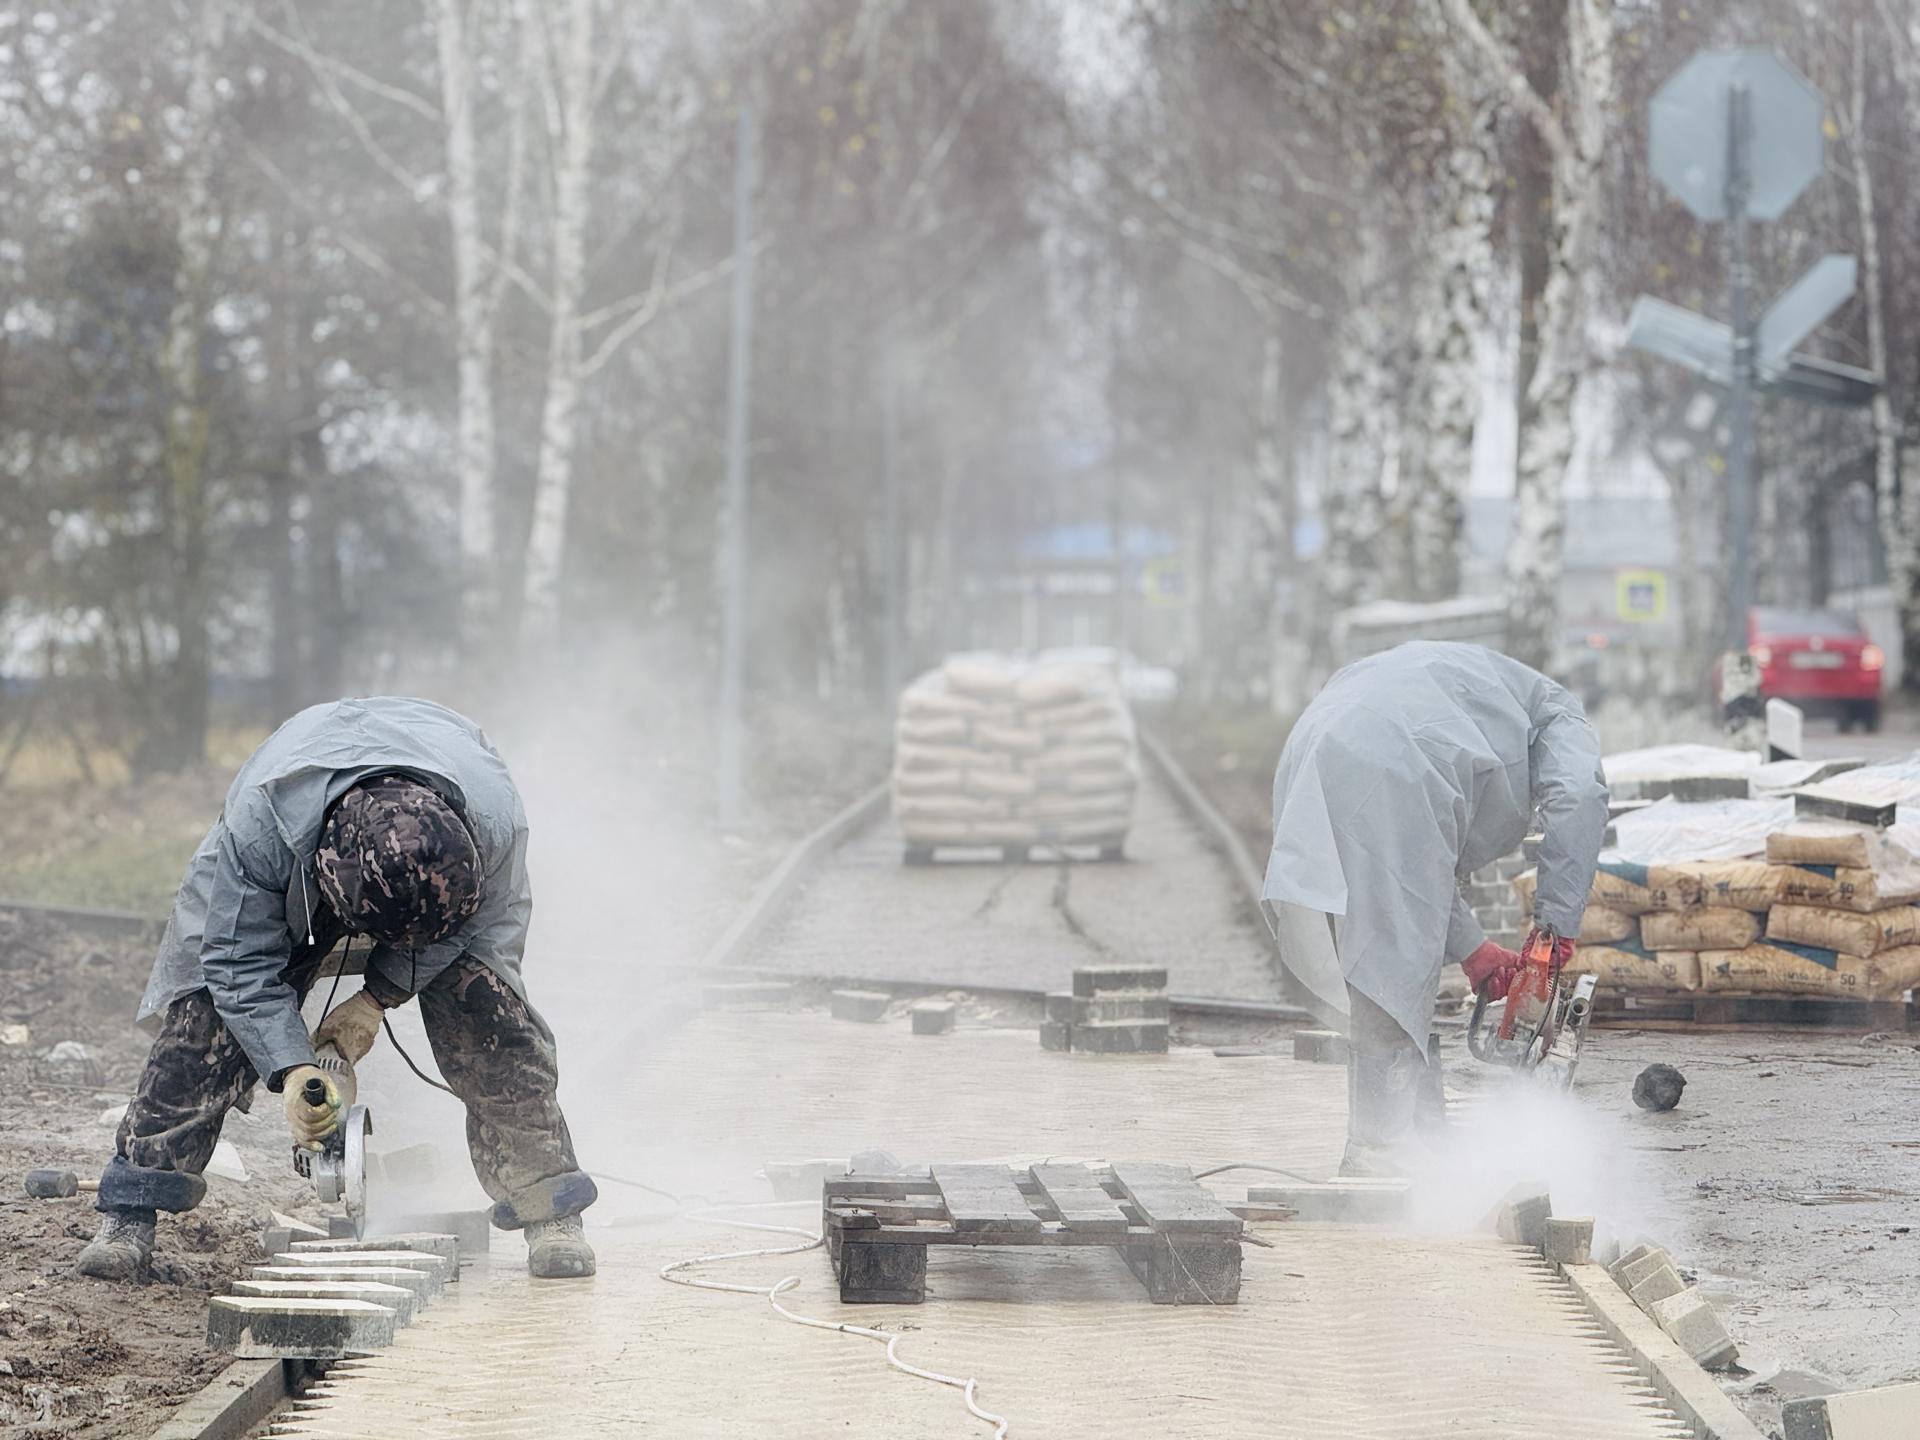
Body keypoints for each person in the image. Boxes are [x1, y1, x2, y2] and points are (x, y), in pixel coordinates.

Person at [76, 696, 597, 1281]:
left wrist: (376, 998)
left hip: (442, 888)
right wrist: (292, 1067)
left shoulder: (492, 827)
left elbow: (475, 927)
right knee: (206, 1021)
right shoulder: (261, 832)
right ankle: (131, 1209)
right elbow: (236, 962)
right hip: (289, 853)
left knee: (489, 1008)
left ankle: (551, 1207)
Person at [1261, 642, 1608, 1176]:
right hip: (1396, 759)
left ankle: (1415, 1129)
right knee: (1393, 963)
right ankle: (1378, 1150)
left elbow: (1418, 870)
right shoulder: (1561, 718)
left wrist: (1473, 950)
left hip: (1316, 741)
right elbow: (1580, 797)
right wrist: (1556, 929)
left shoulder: (1488, 690)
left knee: (1375, 939)